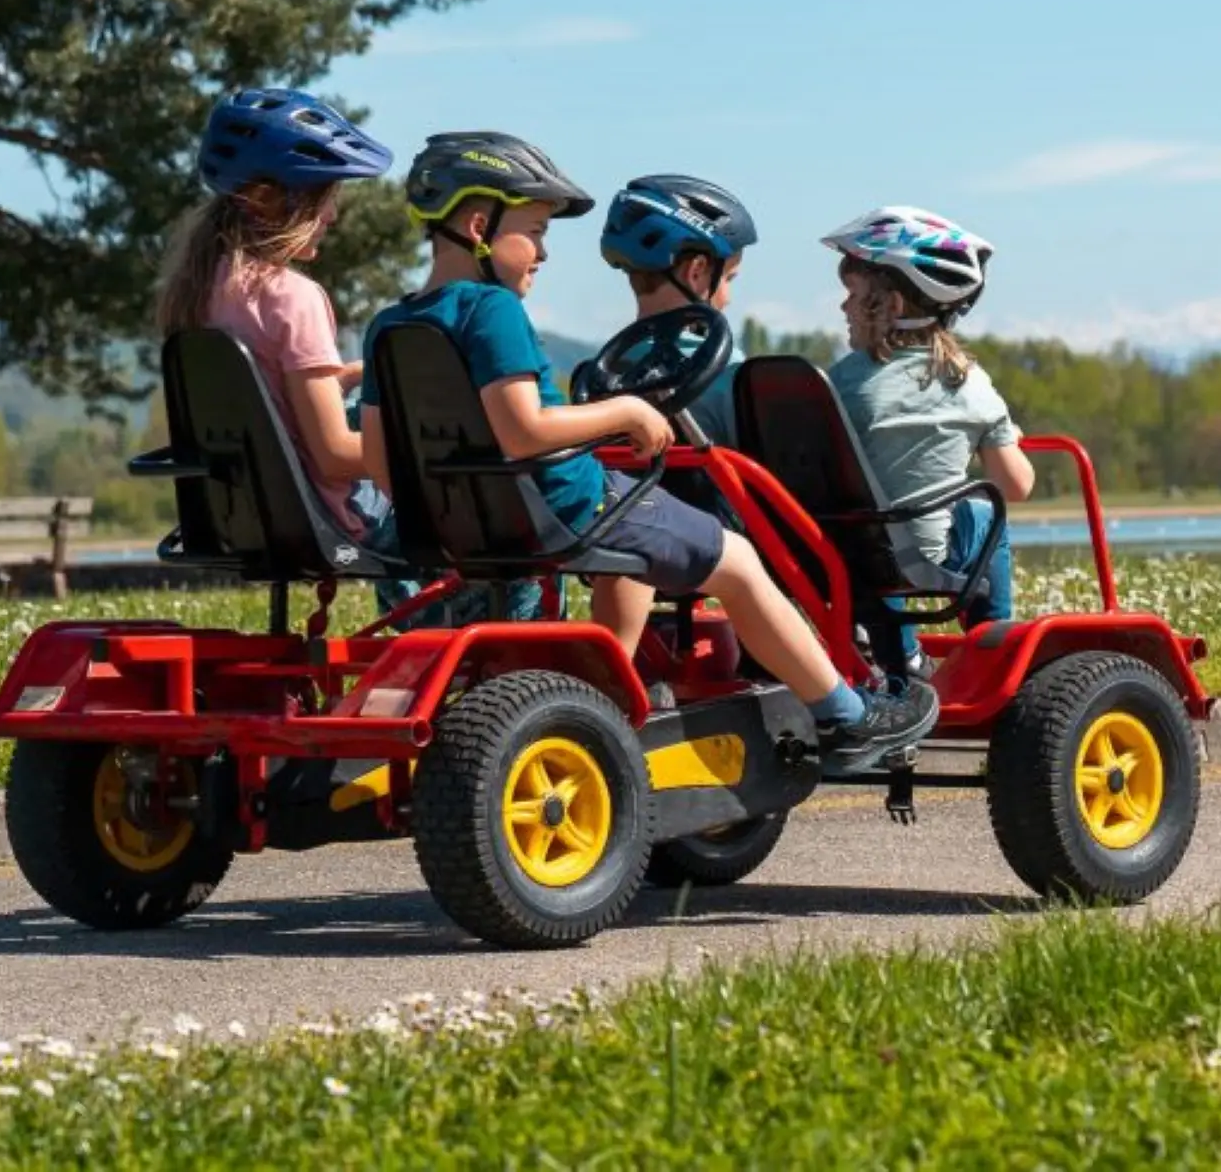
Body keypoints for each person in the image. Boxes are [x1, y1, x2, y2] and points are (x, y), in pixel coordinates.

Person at [356, 132, 940, 775]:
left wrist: (463, 506)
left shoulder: (392, 325)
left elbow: (382, 460)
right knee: (739, 562)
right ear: (478, 227)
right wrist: (628, 413)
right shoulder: (492, 308)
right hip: (573, 505)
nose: (543, 252)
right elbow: (523, 430)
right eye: (536, 231)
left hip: (471, 526)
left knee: (635, 554)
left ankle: (607, 702)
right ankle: (846, 716)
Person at [155, 87, 392, 539]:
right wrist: (422, 453)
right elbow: (335, 455)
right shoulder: (293, 297)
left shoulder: (195, 292)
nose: (332, 215)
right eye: (325, 196)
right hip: (330, 526)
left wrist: (342, 379)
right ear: (266, 198)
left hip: (243, 523)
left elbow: (268, 410)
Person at [821, 206, 1037, 671]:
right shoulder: (969, 384)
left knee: (875, 530)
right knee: (984, 513)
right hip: (924, 558)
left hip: (839, 558)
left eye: (853, 295)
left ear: (894, 306)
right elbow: (1016, 485)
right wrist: (1004, 439)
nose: (843, 308)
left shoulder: (837, 383)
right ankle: (991, 647)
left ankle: (901, 662)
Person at [598, 174, 756, 448]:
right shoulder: (729, 371)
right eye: (728, 279)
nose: (728, 298)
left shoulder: (601, 374)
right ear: (696, 272)